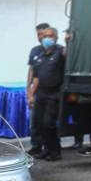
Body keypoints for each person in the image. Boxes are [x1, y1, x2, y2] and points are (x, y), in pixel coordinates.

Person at [28, 26, 66, 161]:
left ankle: (55, 152)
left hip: (54, 94)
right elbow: (36, 76)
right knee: (39, 123)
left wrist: (68, 41)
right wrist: (31, 94)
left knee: (48, 123)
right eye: (44, 36)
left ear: (56, 38)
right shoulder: (40, 53)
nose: (47, 39)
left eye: (50, 36)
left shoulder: (60, 51)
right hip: (41, 94)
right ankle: (47, 149)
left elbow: (68, 54)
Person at [26, 22, 50, 155]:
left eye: (42, 34)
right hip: (36, 91)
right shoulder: (35, 51)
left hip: (50, 92)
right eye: (38, 34)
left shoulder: (56, 50)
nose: (40, 37)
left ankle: (48, 147)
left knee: (47, 122)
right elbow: (31, 70)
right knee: (34, 120)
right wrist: (28, 91)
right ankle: (36, 145)